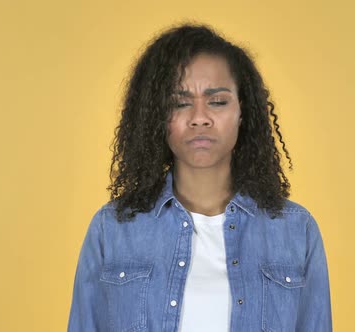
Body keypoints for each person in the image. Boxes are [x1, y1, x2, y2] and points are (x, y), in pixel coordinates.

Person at [68, 23, 332, 332]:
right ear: (157, 116)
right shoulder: (112, 229)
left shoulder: (296, 231)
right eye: (179, 103)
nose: (199, 118)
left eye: (217, 101)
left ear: (242, 112)